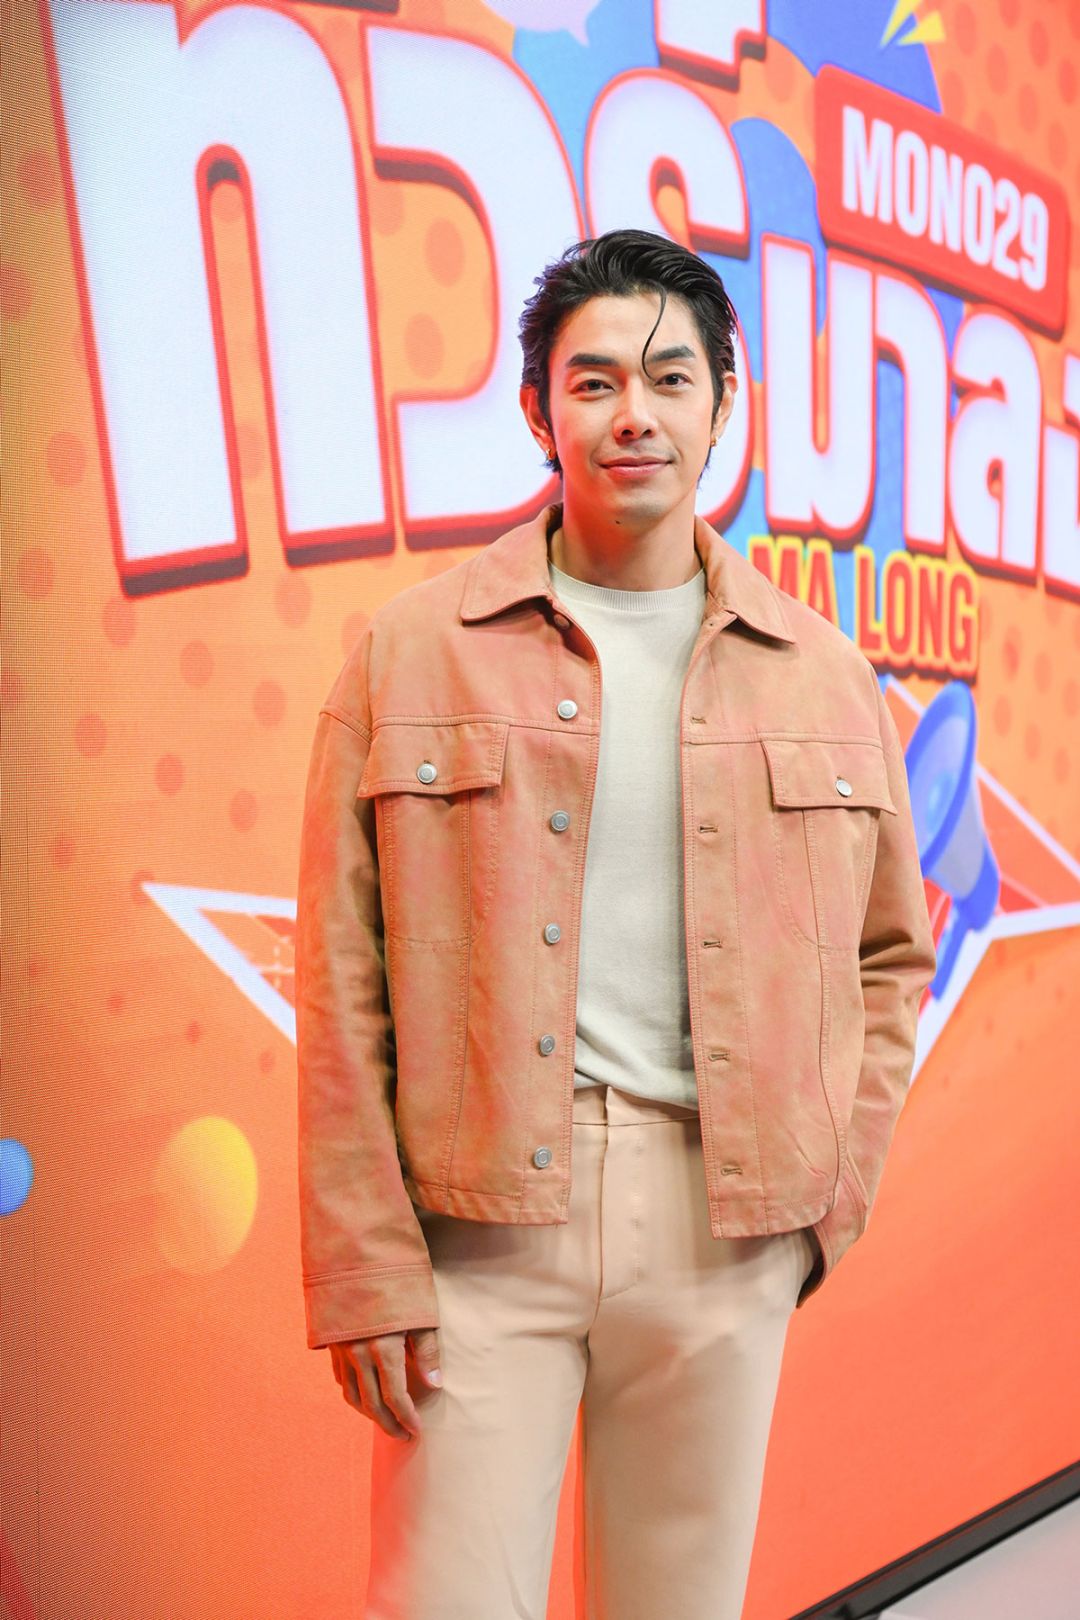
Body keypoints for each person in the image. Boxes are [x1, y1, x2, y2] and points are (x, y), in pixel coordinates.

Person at [295, 228, 937, 1620]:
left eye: (669, 377)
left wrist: (829, 1201)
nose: (632, 414)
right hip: (476, 1235)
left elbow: (893, 956)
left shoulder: (823, 675)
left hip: (724, 1229)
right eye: (593, 382)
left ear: (724, 402)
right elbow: (344, 977)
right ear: (540, 410)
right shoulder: (412, 650)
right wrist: (363, 1260)